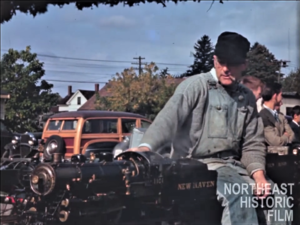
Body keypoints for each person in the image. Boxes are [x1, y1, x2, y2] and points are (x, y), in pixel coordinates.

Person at [128, 32, 292, 225]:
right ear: (214, 59)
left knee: (280, 201)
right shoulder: (195, 87)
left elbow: (252, 143)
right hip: (197, 166)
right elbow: (169, 117)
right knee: (239, 197)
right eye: (221, 62)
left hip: (234, 167)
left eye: (232, 64)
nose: (225, 69)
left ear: (244, 65)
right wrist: (146, 146)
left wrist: (259, 177)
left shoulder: (247, 97)